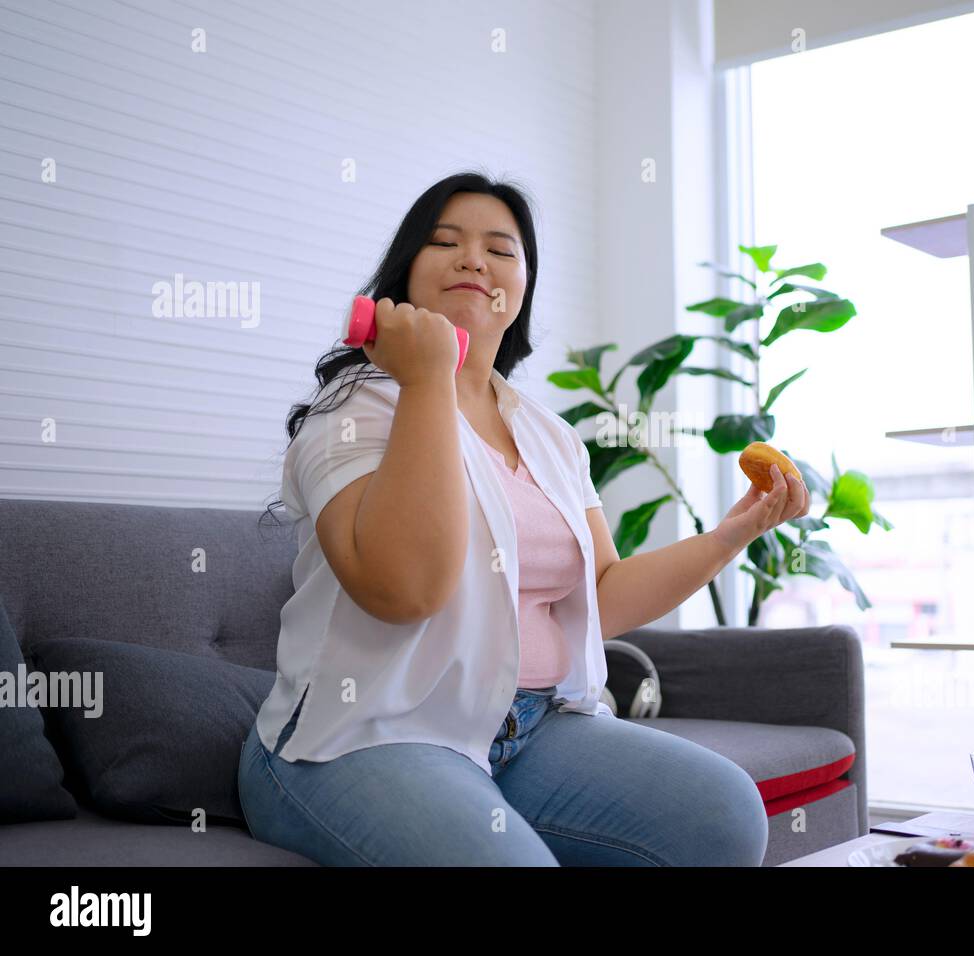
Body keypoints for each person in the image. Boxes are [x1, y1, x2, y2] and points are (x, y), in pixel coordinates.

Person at [239, 171, 810, 866]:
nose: (474, 259)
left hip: (531, 730)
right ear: (405, 275)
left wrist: (732, 534)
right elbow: (403, 589)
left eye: (500, 250)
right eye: (445, 242)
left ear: (523, 289)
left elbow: (603, 597)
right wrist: (427, 381)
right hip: (364, 731)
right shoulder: (354, 412)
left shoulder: (549, 435)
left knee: (722, 816)